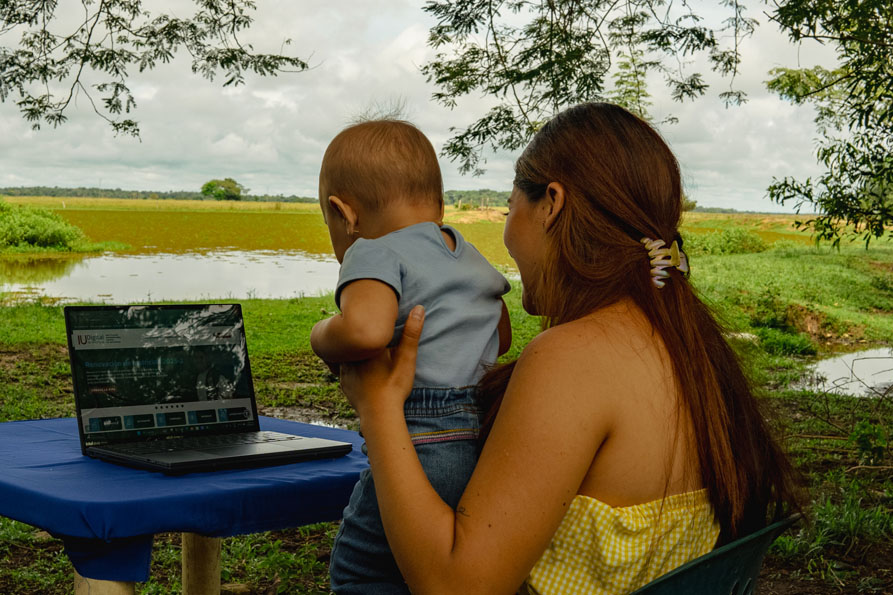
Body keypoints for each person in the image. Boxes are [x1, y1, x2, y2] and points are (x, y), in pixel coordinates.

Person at [338, 102, 802, 594]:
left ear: (551, 204)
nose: (507, 229)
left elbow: (455, 587)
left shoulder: (572, 358)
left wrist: (379, 406)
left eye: (509, 208)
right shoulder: (689, 347)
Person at [311, 119, 513, 593]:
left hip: (418, 437)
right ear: (438, 204)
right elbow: (500, 334)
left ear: (344, 213)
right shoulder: (466, 253)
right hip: (477, 438)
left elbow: (366, 331)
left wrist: (321, 336)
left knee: (362, 571)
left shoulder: (372, 250)